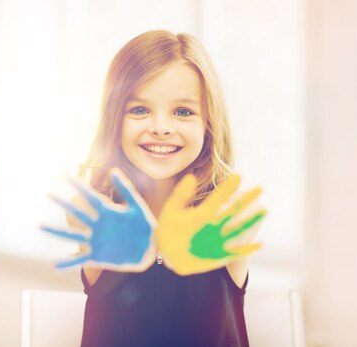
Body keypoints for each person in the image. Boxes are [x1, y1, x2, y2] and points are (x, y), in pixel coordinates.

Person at [66, 30, 263, 347]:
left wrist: (171, 243)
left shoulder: (229, 215)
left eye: (183, 112)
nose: (160, 127)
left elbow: (246, 212)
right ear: (116, 118)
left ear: (208, 123)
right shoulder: (94, 211)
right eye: (139, 110)